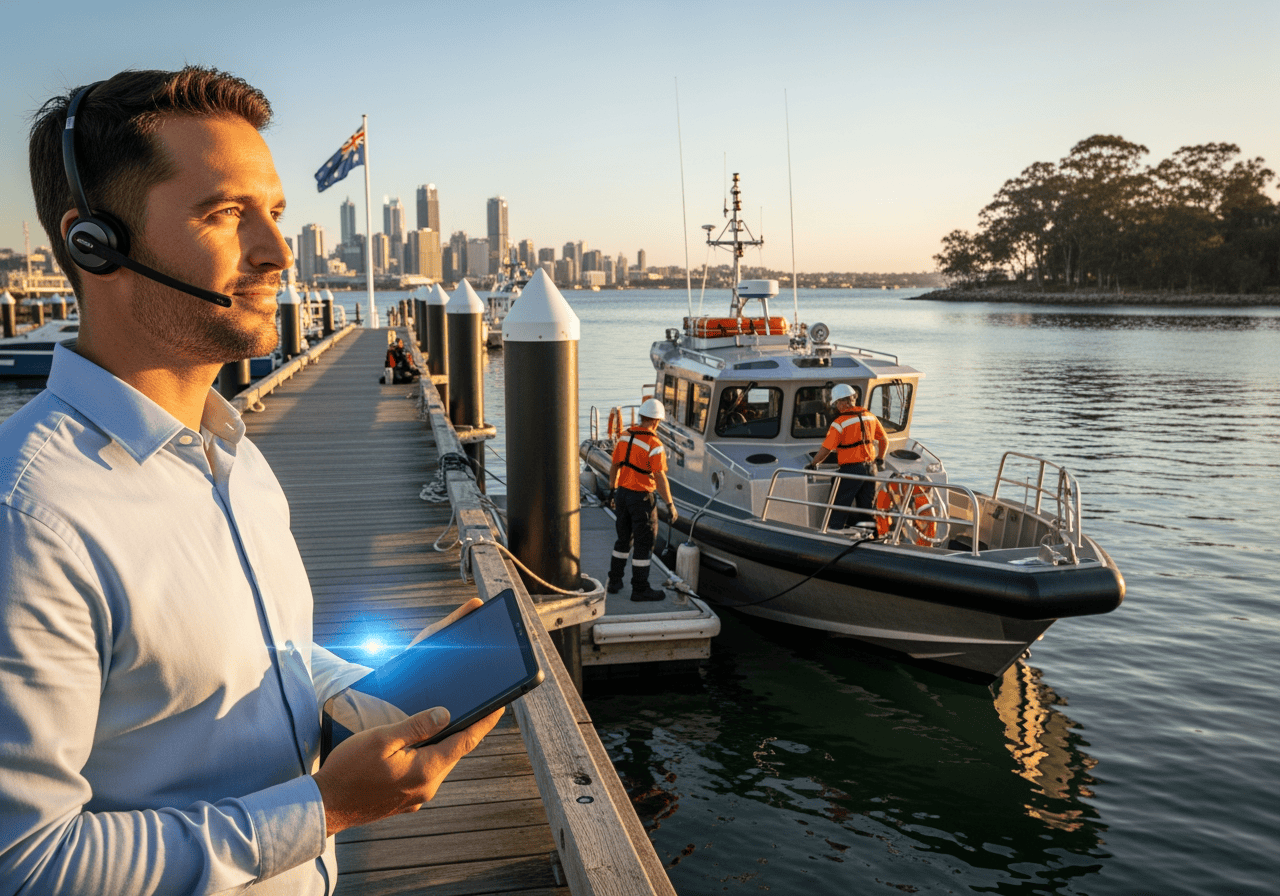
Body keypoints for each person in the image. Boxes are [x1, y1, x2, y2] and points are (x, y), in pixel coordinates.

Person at [0, 67, 502, 895]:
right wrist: (322, 812)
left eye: (274, 213)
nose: (277, 253)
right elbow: (25, 864)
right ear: (95, 242)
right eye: (226, 214)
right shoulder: (31, 516)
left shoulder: (235, 455)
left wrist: (381, 687)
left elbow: (268, 655)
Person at [605, 398, 679, 601]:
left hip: (622, 495)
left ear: (642, 417)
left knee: (623, 540)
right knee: (644, 543)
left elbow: (614, 466)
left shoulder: (624, 436)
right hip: (641, 499)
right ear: (657, 421)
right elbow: (660, 477)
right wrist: (670, 504)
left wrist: (612, 490)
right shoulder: (655, 444)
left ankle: (614, 581)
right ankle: (640, 588)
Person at [808, 383, 890, 530]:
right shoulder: (870, 417)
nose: (837, 406)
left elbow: (825, 450)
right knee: (867, 507)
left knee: (839, 506)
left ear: (844, 402)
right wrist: (880, 459)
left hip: (852, 470)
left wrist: (813, 464)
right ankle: (869, 535)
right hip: (871, 469)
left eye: (838, 402)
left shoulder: (839, 423)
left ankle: (834, 536)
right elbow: (884, 440)